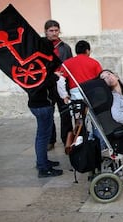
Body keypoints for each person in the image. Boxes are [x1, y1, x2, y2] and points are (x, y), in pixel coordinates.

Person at [29, 64, 63, 178]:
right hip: (42, 105)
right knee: (43, 137)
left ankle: (43, 162)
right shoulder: (37, 69)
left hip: (37, 105)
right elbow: (42, 84)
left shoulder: (31, 67)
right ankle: (43, 168)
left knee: (42, 136)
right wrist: (54, 76)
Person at [43, 19, 73, 150]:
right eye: (51, 31)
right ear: (46, 31)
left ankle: (67, 138)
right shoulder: (41, 46)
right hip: (47, 83)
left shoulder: (65, 47)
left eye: (56, 30)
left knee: (65, 112)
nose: (54, 33)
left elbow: (70, 65)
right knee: (48, 112)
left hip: (62, 83)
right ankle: (50, 139)